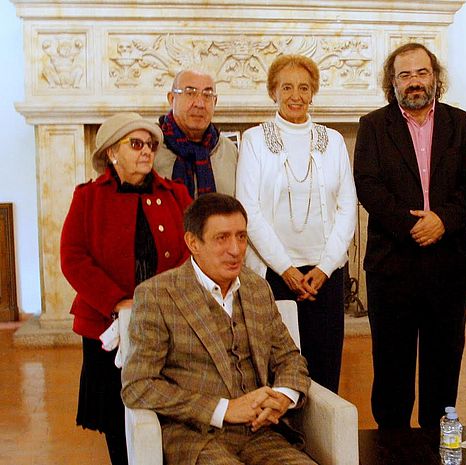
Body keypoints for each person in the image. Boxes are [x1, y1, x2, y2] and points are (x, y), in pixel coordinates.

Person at [121, 193, 314, 465]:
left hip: (261, 433)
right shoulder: (158, 295)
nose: (235, 250)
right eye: (222, 238)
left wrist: (283, 396)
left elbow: (289, 358)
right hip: (195, 437)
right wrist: (224, 409)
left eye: (242, 237)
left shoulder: (258, 288)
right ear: (193, 242)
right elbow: (138, 386)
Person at [353, 42, 466, 428]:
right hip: (392, 265)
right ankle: (391, 445)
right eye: (404, 75)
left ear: (436, 77)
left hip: (449, 264)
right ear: (391, 83)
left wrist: (443, 220)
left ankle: (436, 444)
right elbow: (368, 185)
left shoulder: (463, 124)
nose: (414, 82)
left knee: (444, 366)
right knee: (392, 367)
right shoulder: (373, 125)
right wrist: (412, 226)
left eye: (421, 73)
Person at [60, 112, 192, 465]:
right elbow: (73, 258)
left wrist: (163, 301)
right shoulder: (88, 197)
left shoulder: (176, 194)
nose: (147, 151)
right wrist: (118, 302)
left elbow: (191, 250)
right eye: (136, 144)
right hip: (107, 324)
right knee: (118, 417)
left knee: (166, 409)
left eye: (150, 144)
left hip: (166, 320)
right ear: (112, 152)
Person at [236, 54, 357, 393]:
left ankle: (322, 444)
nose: (295, 95)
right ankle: (282, 442)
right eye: (286, 87)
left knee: (324, 365)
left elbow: (347, 207)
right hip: (272, 275)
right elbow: (249, 209)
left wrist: (327, 266)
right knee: (276, 368)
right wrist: (286, 268)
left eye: (304, 87)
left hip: (325, 276)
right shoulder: (254, 140)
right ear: (273, 91)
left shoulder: (332, 141)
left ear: (313, 93)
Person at [154, 69, 238, 197]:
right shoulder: (151, 146)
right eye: (190, 93)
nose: (199, 104)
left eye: (207, 95)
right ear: (172, 99)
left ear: (215, 102)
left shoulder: (229, 151)